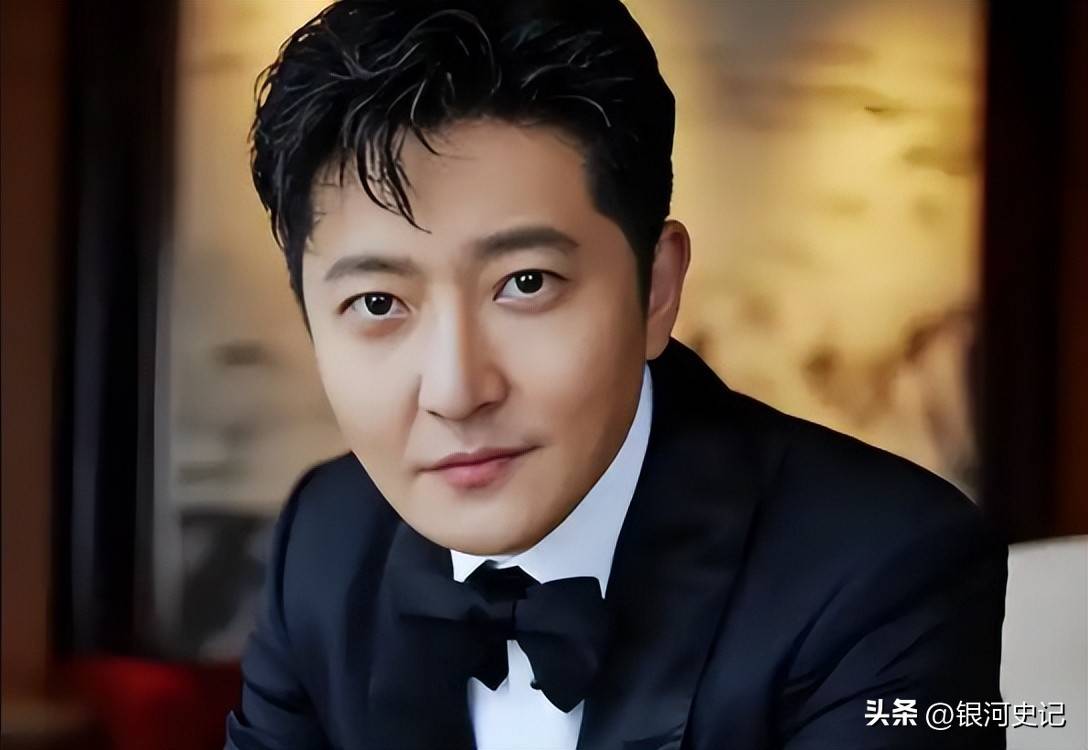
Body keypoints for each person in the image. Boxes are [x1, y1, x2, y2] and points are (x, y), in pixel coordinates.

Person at [225, 1, 1008, 748]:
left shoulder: (881, 569)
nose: (457, 392)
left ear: (656, 289)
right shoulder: (326, 544)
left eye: (525, 283)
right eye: (377, 302)